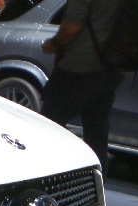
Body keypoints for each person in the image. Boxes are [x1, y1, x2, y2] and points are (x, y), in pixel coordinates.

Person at [39, 0, 124, 167]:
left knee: (49, 124)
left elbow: (71, 28)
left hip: (76, 68)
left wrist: (53, 43)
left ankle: (48, 172)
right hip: (109, 69)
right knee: (97, 135)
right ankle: (96, 179)